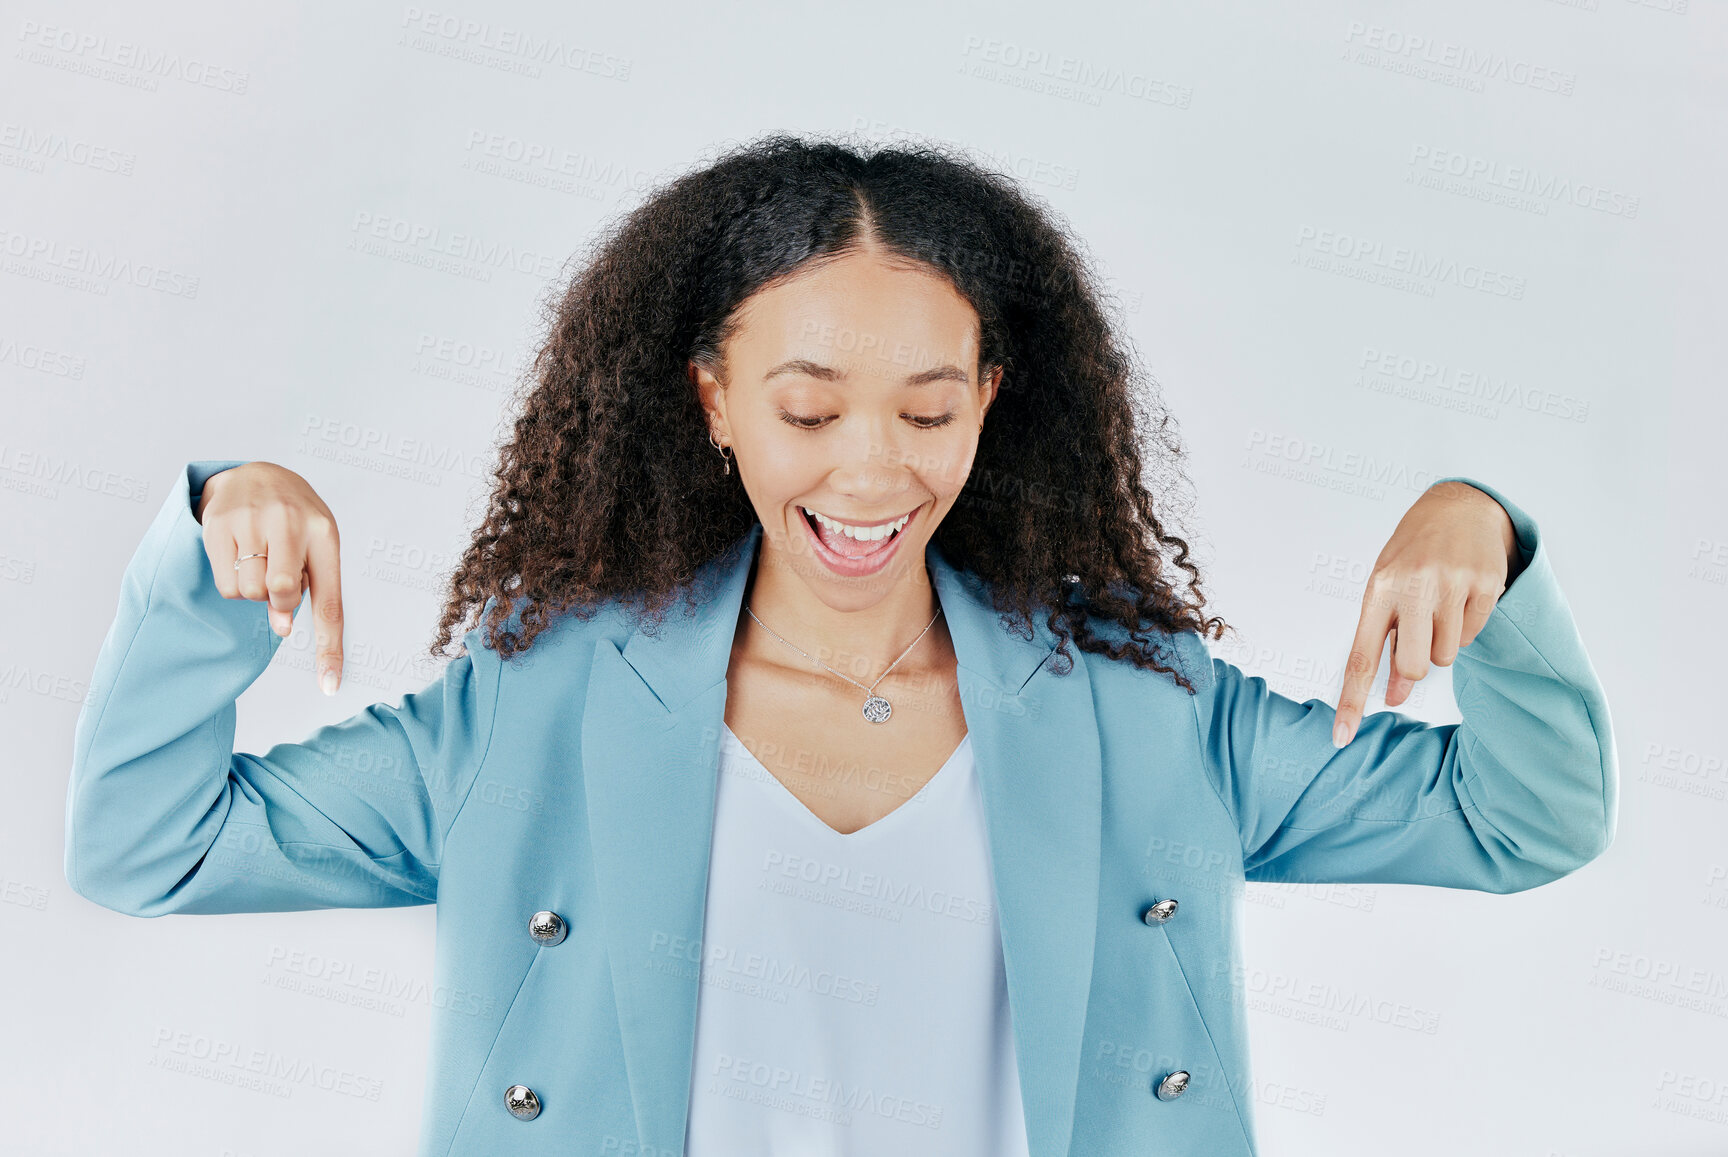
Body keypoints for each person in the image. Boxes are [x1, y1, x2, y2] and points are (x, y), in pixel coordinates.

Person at [64, 132, 1617, 1156]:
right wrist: (214, 547)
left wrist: (1483, 529)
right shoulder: (531, 715)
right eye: (808, 408)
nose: (871, 473)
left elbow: (1522, 816)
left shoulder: (1146, 716)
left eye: (928, 411)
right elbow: (152, 846)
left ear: (994, 403)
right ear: (712, 401)